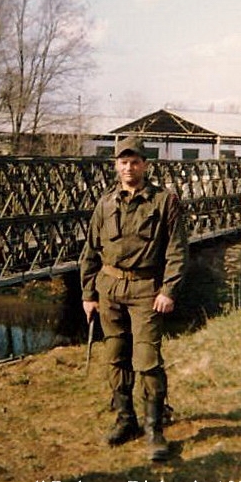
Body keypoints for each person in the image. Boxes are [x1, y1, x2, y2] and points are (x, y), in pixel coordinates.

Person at [79, 136, 189, 462]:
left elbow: (177, 250)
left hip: (145, 292)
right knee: (115, 356)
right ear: (116, 165)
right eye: (123, 162)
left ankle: (154, 429)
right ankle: (126, 419)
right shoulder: (105, 203)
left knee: (147, 360)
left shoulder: (164, 201)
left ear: (145, 165)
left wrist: (168, 290)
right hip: (109, 289)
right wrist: (88, 294)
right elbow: (90, 250)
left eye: (135, 162)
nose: (129, 168)